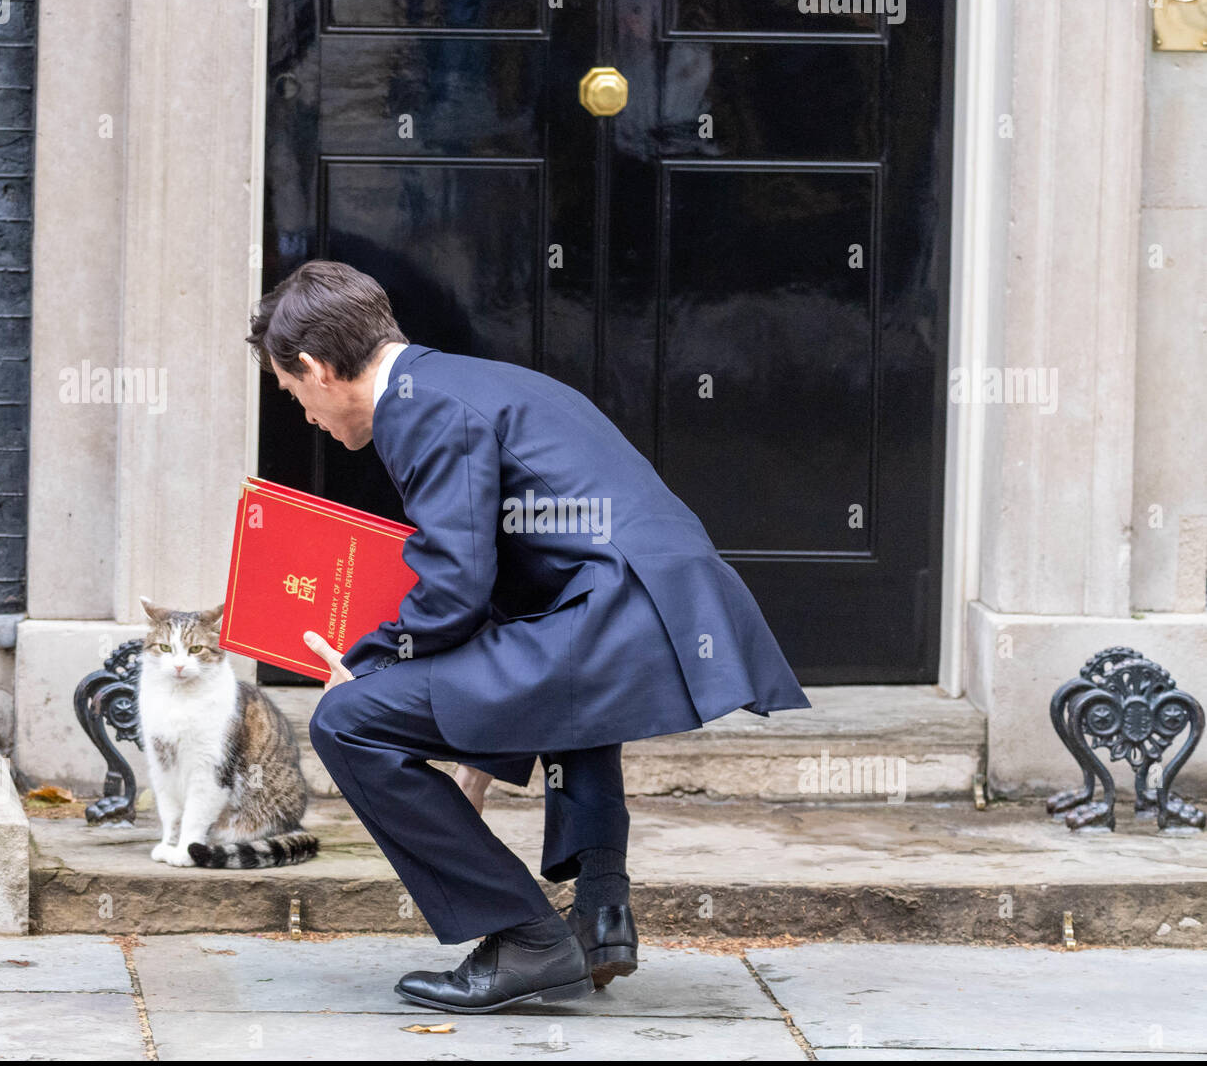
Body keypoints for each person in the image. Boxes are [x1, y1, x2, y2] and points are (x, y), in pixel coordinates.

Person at [247, 260, 811, 1014]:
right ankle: (600, 914)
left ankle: (525, 939)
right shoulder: (474, 381)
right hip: (650, 604)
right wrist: (479, 763)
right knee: (572, 693)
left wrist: (366, 666)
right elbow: (507, 586)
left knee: (347, 722)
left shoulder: (417, 410)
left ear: (315, 370)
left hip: (615, 612)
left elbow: (455, 585)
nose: (307, 418)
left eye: (294, 397)